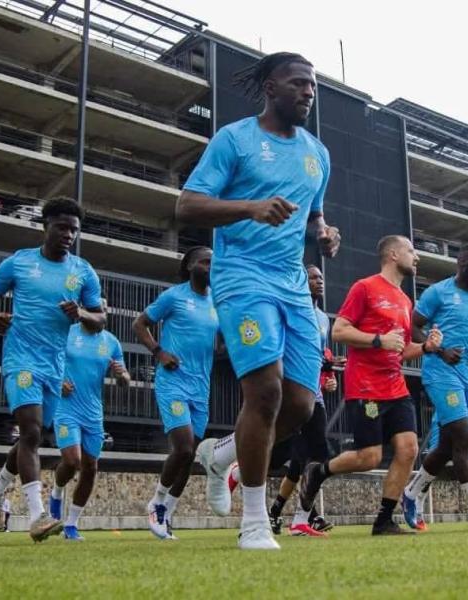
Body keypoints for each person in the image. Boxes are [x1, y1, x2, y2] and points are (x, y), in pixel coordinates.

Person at [177, 52, 340, 550]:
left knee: (300, 404)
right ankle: (254, 523)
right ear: (271, 88)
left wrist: (324, 233)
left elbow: (312, 215)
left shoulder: (318, 154)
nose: (307, 93)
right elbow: (186, 206)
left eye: (312, 86)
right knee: (264, 393)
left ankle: (223, 454)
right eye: (297, 84)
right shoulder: (235, 139)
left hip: (293, 285)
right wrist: (250, 207)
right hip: (242, 278)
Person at [0, 198, 105, 542]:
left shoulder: (83, 271)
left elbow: (100, 320)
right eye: (62, 227)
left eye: (74, 230)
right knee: (32, 433)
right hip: (21, 358)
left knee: (30, 436)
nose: (68, 234)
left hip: (54, 365)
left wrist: (81, 314)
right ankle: (37, 517)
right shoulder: (19, 263)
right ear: (45, 225)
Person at [298, 236, 441, 536]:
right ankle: (319, 471)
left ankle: (384, 520)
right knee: (369, 457)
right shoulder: (364, 287)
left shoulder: (404, 300)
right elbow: (339, 331)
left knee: (408, 449)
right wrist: (378, 340)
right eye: (411, 251)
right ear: (392, 254)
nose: (417, 258)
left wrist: (425, 347)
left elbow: (400, 350)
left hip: (396, 386)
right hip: (365, 386)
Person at [401, 243, 468, 531]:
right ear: (463, 263)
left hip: (465, 377)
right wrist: (440, 349)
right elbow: (413, 326)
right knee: (464, 437)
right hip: (439, 373)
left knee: (447, 447)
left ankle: (410, 494)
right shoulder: (438, 292)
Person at [132, 246, 219, 541]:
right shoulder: (174, 296)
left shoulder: (217, 302)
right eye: (205, 261)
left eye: (213, 262)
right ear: (190, 266)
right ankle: (156, 503)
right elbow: (139, 324)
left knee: (189, 456)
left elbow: (216, 347)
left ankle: (167, 512)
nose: (210, 265)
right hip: (173, 383)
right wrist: (159, 352)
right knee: (181, 448)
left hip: (201, 388)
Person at [264, 264, 345, 536]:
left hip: (315, 394)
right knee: (292, 459)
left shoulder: (323, 318)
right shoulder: (292, 308)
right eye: (313, 277)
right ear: (301, 281)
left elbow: (319, 356)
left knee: (311, 458)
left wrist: (328, 375)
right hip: (291, 393)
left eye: (321, 277)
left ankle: (294, 515)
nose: (319, 281)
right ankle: (297, 515)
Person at [49, 299, 130, 541]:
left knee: (91, 467)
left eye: (104, 309)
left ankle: (71, 524)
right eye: (96, 309)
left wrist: (121, 375)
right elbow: (47, 361)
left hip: (93, 413)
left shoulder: (111, 343)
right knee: (73, 460)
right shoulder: (67, 333)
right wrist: (56, 382)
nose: (100, 313)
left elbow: (124, 378)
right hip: (65, 408)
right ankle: (56, 492)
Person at [411, 359, 468, 530]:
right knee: (437, 461)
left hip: (466, 413)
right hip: (446, 412)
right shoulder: (451, 349)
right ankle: (417, 501)